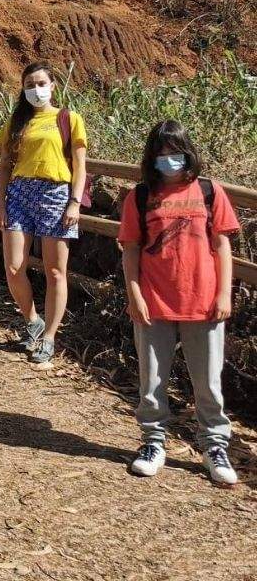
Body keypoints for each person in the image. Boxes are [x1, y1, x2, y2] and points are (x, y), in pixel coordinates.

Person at [119, 120, 239, 485]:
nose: (169, 160)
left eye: (175, 152)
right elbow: (131, 250)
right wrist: (135, 296)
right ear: (151, 158)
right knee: (151, 380)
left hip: (203, 302)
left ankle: (214, 445)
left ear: (188, 153)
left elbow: (222, 245)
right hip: (154, 303)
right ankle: (153, 442)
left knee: (208, 382)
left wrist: (223, 293)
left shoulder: (209, 192)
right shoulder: (140, 196)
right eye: (161, 154)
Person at [0, 61, 88, 364]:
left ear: (53, 85)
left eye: (41, 83)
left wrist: (74, 202)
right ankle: (32, 319)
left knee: (55, 270)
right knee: (13, 267)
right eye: (30, 84)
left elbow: (80, 165)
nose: (36, 89)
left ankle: (49, 336)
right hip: (19, 193)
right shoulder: (17, 122)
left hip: (56, 194)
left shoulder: (68, 118)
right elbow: (5, 165)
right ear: (23, 89)